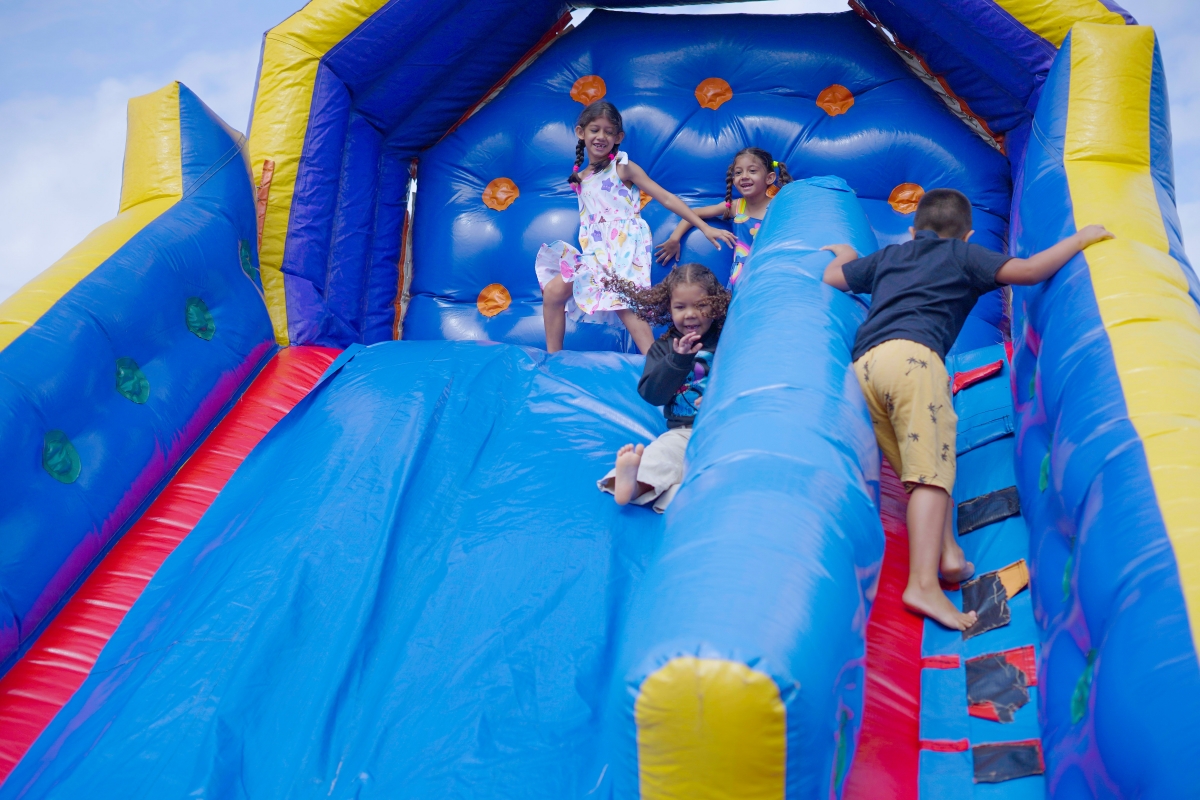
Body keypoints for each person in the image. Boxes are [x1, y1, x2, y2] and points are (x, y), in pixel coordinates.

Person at [821, 188, 1114, 630]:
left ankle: (948, 556)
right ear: (968, 234)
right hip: (914, 362)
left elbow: (833, 277)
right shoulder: (965, 254)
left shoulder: (890, 255)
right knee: (932, 476)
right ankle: (923, 584)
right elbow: (1029, 271)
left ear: (912, 230)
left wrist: (846, 252)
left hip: (865, 367)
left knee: (919, 473)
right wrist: (1081, 238)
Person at [536, 101, 736, 354]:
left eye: (609, 132)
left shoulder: (622, 167)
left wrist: (704, 227)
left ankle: (655, 363)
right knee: (554, 291)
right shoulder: (581, 177)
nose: (601, 136)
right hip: (596, 250)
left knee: (626, 306)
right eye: (595, 130)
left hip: (622, 247)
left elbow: (666, 198)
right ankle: (553, 358)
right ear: (581, 132)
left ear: (618, 137)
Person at [597, 263, 730, 512]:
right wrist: (678, 360)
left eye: (701, 305)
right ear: (668, 307)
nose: (690, 314)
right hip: (683, 431)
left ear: (716, 304)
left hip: (725, 425)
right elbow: (652, 394)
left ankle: (683, 493)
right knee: (660, 457)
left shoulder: (727, 337)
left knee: (722, 467)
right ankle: (634, 484)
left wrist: (720, 395)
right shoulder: (664, 348)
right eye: (680, 307)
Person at [654, 147, 792, 288]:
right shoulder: (735, 207)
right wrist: (674, 238)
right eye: (738, 172)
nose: (744, 176)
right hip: (741, 277)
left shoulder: (777, 206)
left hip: (769, 272)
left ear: (769, 178)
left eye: (752, 171)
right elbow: (694, 213)